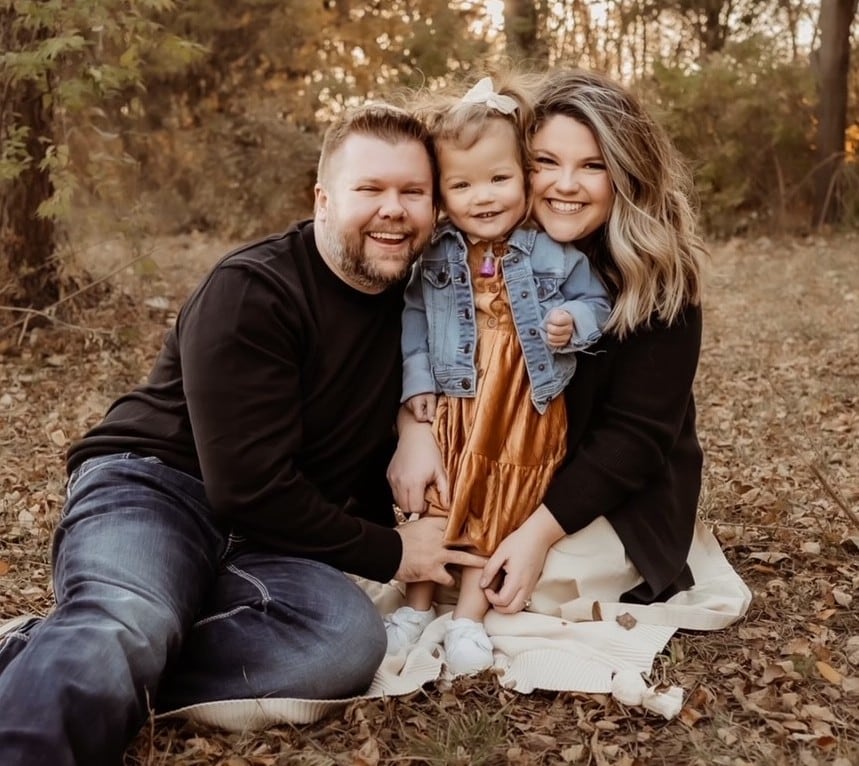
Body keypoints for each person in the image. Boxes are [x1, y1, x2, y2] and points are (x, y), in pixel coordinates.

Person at [0, 102, 487, 766]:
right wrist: (393, 552)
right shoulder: (253, 290)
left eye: (412, 192)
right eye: (369, 189)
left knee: (340, 645)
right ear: (322, 198)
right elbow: (247, 487)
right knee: (130, 618)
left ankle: (63, 655)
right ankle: (72, 682)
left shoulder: (420, 308)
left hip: (273, 533)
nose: (393, 209)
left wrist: (413, 426)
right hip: (157, 486)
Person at [388, 67, 709, 645]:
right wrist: (415, 430)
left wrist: (536, 534)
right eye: (545, 162)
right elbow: (418, 342)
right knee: (435, 555)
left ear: (627, 175)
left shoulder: (660, 282)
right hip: (486, 465)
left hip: (607, 494)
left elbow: (634, 442)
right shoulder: (478, 248)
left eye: (592, 165)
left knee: (526, 587)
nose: (566, 184)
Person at [382, 76, 611, 676]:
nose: (483, 197)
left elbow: (598, 304)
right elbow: (412, 321)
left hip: (523, 404)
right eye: (462, 185)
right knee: (441, 497)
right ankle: (416, 605)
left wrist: (571, 321)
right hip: (456, 400)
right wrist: (417, 386)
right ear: (441, 195)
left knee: (501, 503)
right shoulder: (435, 255)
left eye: (499, 179)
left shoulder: (555, 254)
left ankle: (468, 620)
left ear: (524, 177)